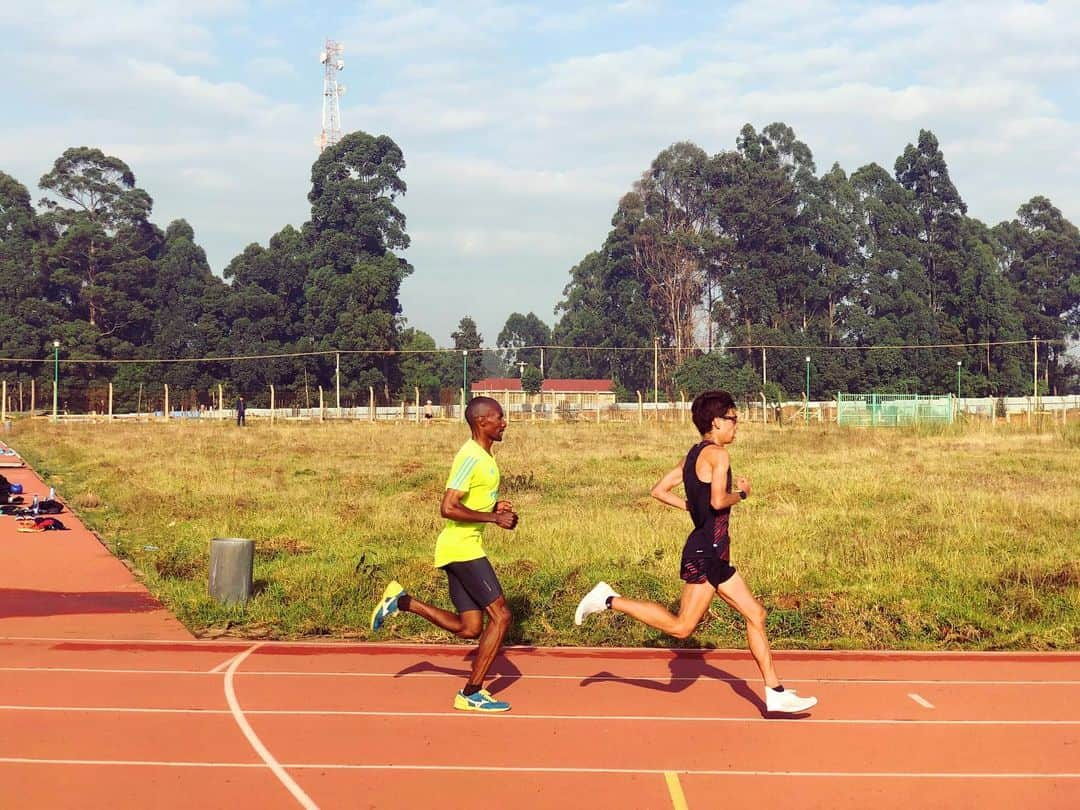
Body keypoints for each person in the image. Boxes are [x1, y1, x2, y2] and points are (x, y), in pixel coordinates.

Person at [574, 389, 817, 714]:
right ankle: (608, 599)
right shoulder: (717, 454)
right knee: (682, 627)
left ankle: (775, 691)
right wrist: (741, 495)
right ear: (716, 422)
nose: (737, 425)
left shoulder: (692, 455)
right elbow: (718, 501)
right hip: (706, 553)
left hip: (714, 553)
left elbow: (659, 490)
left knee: (755, 614)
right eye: (733, 419)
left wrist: (693, 507)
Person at [370, 396, 519, 712]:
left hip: (463, 547)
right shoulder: (470, 456)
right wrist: (494, 518)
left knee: (470, 628)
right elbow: (447, 507)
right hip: (460, 547)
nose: (504, 422)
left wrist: (494, 507)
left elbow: (469, 503)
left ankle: (403, 602)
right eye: (499, 417)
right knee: (502, 615)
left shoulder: (485, 458)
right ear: (481, 422)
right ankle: (471, 693)